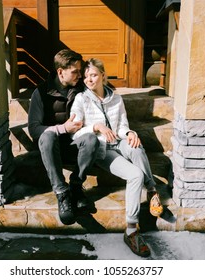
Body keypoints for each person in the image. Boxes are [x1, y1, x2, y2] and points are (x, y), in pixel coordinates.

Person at [70, 58, 163, 257]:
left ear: (103, 75)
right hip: (103, 150)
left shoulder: (116, 98)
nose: (89, 80)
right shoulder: (81, 99)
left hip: (118, 142)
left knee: (136, 147)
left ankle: (152, 190)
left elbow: (121, 126)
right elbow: (75, 133)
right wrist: (95, 127)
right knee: (135, 175)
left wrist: (129, 133)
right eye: (86, 76)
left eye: (93, 75)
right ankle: (131, 230)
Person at [28, 49, 100, 226]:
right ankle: (62, 193)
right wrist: (63, 128)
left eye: (80, 71)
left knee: (91, 139)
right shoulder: (41, 92)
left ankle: (76, 187)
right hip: (52, 149)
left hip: (75, 146)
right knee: (47, 136)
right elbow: (34, 129)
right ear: (60, 72)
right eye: (75, 72)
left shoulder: (82, 89)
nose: (80, 75)